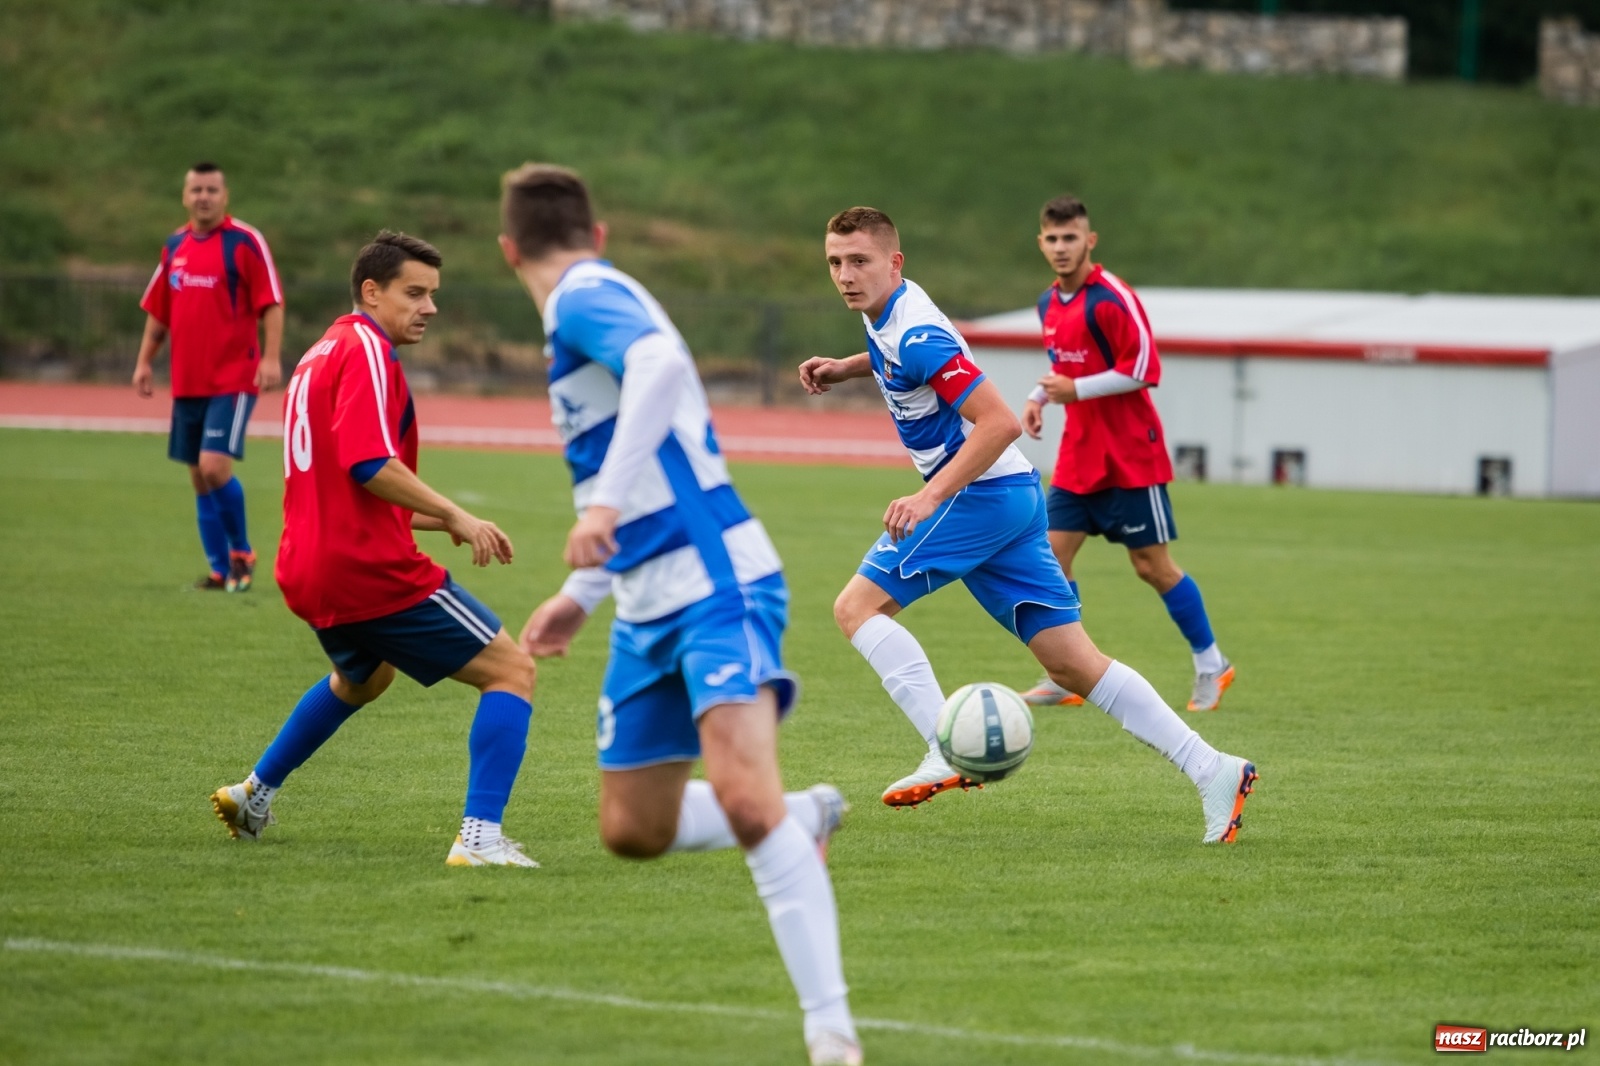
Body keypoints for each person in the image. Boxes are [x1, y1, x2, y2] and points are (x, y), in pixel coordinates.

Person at [499, 164, 861, 1066]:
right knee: (632, 829)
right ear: (599, 230)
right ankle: (805, 814)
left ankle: (832, 1034)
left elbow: (661, 365)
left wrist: (600, 509)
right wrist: (583, 594)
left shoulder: (583, 296)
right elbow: (641, 456)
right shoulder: (594, 301)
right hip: (643, 602)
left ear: (507, 251)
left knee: (745, 803)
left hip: (716, 584)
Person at [798, 207, 1256, 846]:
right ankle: (1215, 769)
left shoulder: (917, 333)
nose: (845, 275)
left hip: (979, 496)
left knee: (855, 608)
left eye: (859, 261)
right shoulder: (891, 313)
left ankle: (944, 747)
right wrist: (847, 367)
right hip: (1010, 496)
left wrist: (929, 496)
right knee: (1072, 664)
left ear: (894, 263)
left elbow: (1001, 422)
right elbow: (897, 355)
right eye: (835, 263)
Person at [210, 231, 539, 869]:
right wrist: (454, 511)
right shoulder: (366, 350)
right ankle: (479, 839)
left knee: (363, 678)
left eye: (432, 294)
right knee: (511, 671)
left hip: (307, 566)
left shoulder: (319, 353)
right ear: (371, 291)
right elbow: (368, 463)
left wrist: (437, 521)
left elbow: (339, 481)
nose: (429, 307)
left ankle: (253, 794)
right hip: (365, 568)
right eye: (414, 293)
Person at [1019, 194, 1235, 712]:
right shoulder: (1048, 302)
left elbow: (1143, 369)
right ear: (1041, 243)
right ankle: (1068, 672)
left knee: (1151, 566)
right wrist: (1038, 397)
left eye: (1071, 238)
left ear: (1089, 241)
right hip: (1078, 455)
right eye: (1053, 238)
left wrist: (1074, 389)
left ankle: (1213, 664)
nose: (1061, 247)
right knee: (1049, 559)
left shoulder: (1113, 298)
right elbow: (1067, 366)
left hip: (1130, 456)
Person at [134, 162, 283, 592]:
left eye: (211, 190)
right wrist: (144, 361)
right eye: (196, 189)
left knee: (214, 467)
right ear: (185, 196)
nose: (203, 197)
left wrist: (271, 357)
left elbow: (271, 302)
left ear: (225, 196)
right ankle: (220, 571)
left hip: (232, 378)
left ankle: (242, 552)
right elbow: (159, 310)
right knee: (198, 477)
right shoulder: (174, 246)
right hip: (188, 380)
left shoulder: (245, 242)